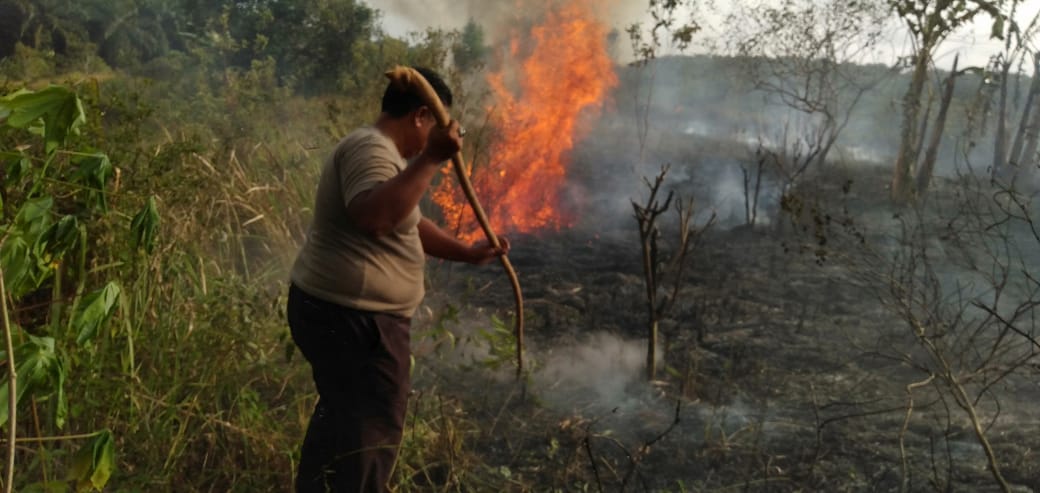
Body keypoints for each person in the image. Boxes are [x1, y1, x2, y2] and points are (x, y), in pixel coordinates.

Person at [286, 66, 508, 492]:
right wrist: (431, 158)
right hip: (357, 322)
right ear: (422, 116)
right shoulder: (370, 148)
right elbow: (375, 216)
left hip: (349, 317)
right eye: (435, 128)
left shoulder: (384, 157)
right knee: (370, 435)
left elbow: (408, 221)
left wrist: (466, 252)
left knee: (344, 423)